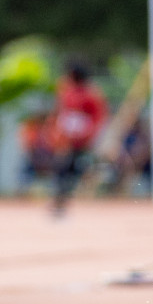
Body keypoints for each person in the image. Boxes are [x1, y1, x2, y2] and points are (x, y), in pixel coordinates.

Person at [49, 63, 108, 215]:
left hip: (83, 138)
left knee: (73, 168)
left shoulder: (90, 94)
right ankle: (60, 198)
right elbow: (60, 112)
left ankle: (63, 197)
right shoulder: (66, 91)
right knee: (63, 168)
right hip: (67, 138)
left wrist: (89, 134)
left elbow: (98, 117)